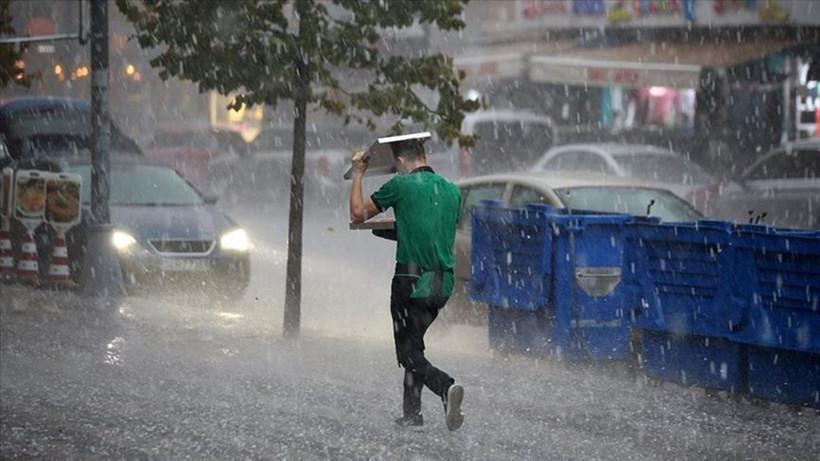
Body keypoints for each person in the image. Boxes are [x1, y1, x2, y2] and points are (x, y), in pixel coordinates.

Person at [349, 137, 464, 431]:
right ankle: (412, 414)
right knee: (414, 345)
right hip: (442, 285)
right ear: (424, 155)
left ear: (400, 162)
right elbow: (431, 230)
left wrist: (359, 173)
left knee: (408, 353)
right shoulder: (452, 190)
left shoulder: (400, 186)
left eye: (397, 167)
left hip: (410, 282)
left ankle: (445, 387)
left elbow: (357, 213)